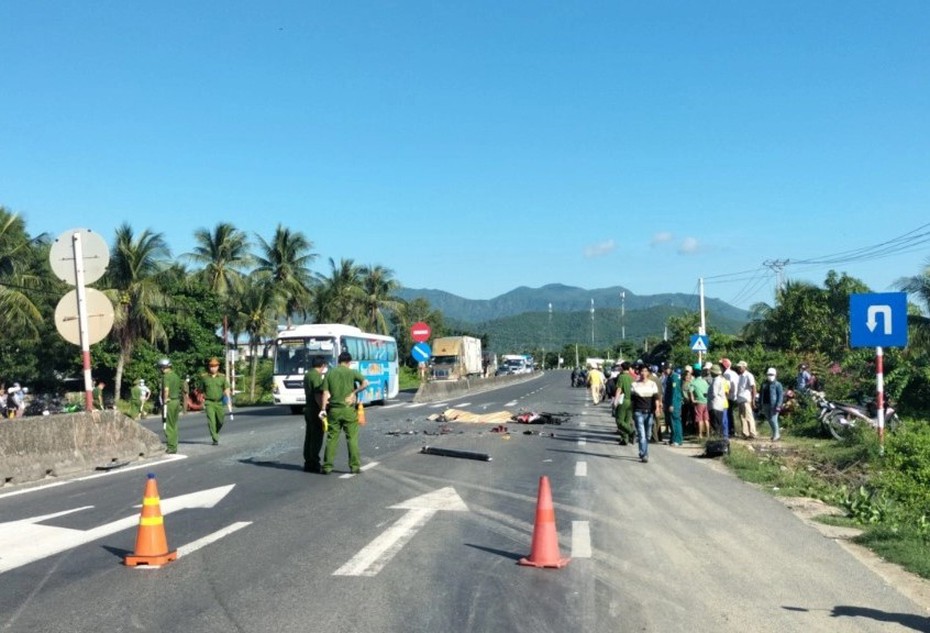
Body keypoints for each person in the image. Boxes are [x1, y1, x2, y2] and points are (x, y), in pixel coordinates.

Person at [320, 352, 370, 475]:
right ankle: (354, 466)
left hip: (334, 411)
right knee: (351, 438)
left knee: (332, 438)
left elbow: (325, 393)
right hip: (348, 410)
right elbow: (365, 383)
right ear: (349, 362)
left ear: (339, 361)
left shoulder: (330, 373)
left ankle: (327, 467)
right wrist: (354, 392)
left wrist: (323, 409)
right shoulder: (352, 372)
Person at [630, 362, 661, 463]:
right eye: (642, 371)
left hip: (649, 412)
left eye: (645, 371)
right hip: (638, 412)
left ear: (648, 373)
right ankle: (644, 454)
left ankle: (642, 451)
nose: (643, 373)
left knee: (647, 435)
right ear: (639, 372)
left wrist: (657, 409)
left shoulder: (653, 384)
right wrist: (631, 413)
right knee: (642, 434)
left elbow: (656, 398)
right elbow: (632, 400)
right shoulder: (634, 385)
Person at [302, 356, 328, 473]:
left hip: (308, 408)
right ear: (322, 365)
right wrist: (323, 409)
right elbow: (318, 394)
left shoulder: (308, 374)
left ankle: (308, 461)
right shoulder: (316, 376)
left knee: (309, 437)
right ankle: (314, 462)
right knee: (317, 437)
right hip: (315, 409)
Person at [199, 357, 231, 446]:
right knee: (211, 421)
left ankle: (215, 432)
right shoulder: (204, 378)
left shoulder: (222, 377)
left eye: (215, 366)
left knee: (220, 421)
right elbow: (201, 390)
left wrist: (227, 393)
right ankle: (215, 438)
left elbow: (227, 388)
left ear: (218, 367)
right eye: (211, 366)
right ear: (209, 367)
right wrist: (202, 399)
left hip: (220, 402)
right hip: (209, 402)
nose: (213, 368)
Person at [158, 358, 183, 454]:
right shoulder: (176, 376)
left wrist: (165, 400)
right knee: (174, 424)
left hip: (170, 402)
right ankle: (174, 445)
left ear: (163, 367)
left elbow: (166, 389)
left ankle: (171, 447)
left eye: (161, 368)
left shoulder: (166, 376)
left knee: (167, 425)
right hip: (176, 401)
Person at [760, 367, 785, 441]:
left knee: (773, 419)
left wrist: (778, 406)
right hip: (765, 404)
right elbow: (761, 395)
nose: (770, 376)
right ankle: (774, 433)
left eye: (772, 374)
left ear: (775, 375)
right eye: (769, 374)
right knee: (769, 420)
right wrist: (760, 405)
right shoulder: (764, 384)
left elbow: (780, 396)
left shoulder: (778, 385)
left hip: (774, 405)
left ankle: (777, 435)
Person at [613, 361, 635, 445]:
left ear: (622, 368)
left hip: (623, 400)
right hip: (631, 401)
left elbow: (619, 389)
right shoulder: (632, 378)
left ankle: (631, 432)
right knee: (627, 420)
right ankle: (624, 439)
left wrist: (615, 401)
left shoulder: (621, 377)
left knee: (619, 420)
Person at [735, 361, 758, 439]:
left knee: (748, 416)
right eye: (738, 367)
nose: (739, 368)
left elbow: (753, 387)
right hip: (740, 398)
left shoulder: (749, 375)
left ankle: (752, 433)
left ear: (745, 367)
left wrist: (753, 399)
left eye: (740, 367)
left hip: (746, 398)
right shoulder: (740, 376)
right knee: (742, 417)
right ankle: (745, 433)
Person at [688, 365, 710, 439]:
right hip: (706, 401)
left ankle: (700, 434)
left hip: (698, 402)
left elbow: (691, 392)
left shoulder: (693, 382)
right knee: (706, 419)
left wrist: (692, 400)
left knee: (699, 419)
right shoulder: (704, 381)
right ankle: (708, 434)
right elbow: (707, 391)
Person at [665, 367, 684, 446]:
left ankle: (677, 440)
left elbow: (674, 392)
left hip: (675, 402)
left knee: (675, 421)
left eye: (666, 368)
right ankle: (672, 439)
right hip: (670, 402)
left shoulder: (674, 377)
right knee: (671, 421)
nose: (664, 370)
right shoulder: (670, 376)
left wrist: (672, 404)